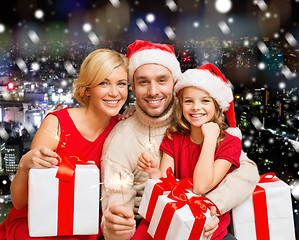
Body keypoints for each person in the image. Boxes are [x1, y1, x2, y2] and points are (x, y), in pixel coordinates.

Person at [101, 40, 260, 240]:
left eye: (161, 80)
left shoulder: (194, 120)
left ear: (174, 83)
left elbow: (247, 171)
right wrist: (116, 227)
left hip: (207, 222)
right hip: (153, 222)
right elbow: (120, 206)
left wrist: (209, 208)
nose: (153, 91)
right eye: (143, 82)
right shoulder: (122, 139)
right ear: (133, 86)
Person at [0, 48, 129, 240]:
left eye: (122, 84)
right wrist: (25, 166)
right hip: (38, 227)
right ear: (87, 89)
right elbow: (19, 203)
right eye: (104, 83)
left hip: (85, 228)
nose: (114, 92)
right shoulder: (57, 124)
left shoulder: (123, 128)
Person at [137, 64, 242, 239]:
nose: (195, 107)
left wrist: (209, 139)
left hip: (210, 228)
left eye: (205, 101)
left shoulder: (230, 144)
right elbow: (164, 189)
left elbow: (201, 186)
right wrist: (153, 171)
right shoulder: (173, 138)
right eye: (188, 101)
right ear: (181, 104)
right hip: (176, 221)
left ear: (216, 105)